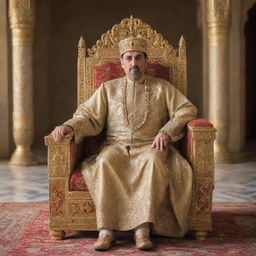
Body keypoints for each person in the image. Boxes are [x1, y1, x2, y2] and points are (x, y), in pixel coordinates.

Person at [51, 37, 197, 251]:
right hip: (115, 146)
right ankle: (106, 231)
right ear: (121, 63)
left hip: (150, 146)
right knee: (104, 162)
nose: (133, 63)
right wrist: (70, 127)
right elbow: (88, 116)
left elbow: (187, 110)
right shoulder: (107, 88)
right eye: (128, 58)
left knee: (154, 161)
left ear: (146, 62)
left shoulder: (163, 88)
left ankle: (142, 230)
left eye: (138, 58)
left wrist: (166, 131)